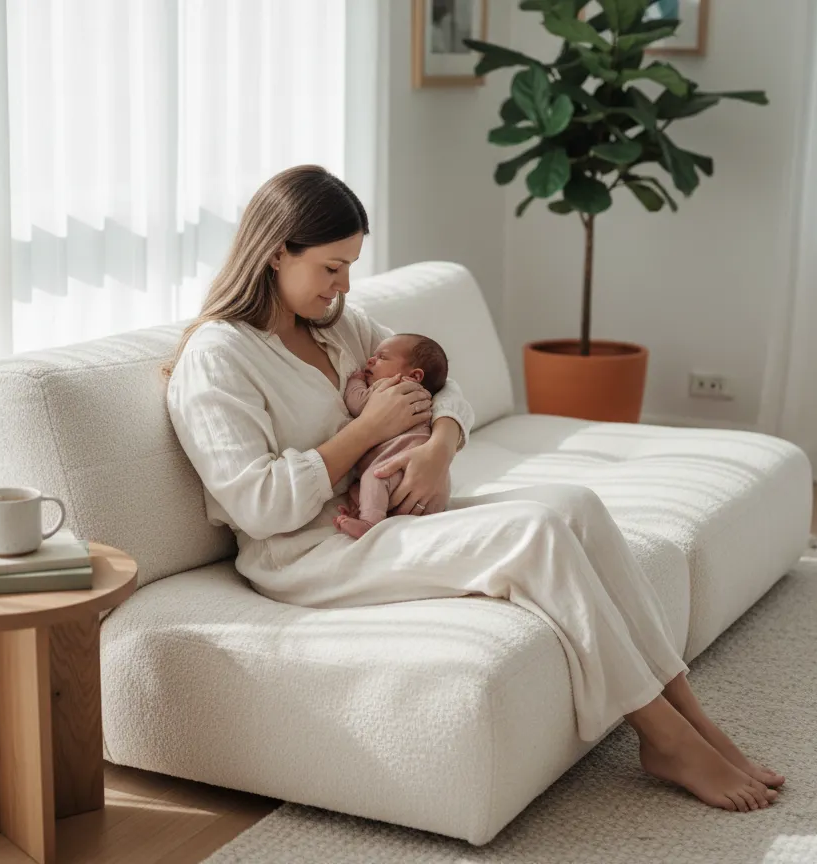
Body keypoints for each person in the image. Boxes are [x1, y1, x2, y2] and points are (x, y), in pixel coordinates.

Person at [167, 165, 784, 812]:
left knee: (575, 505)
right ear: (274, 253)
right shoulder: (218, 357)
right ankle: (663, 738)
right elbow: (257, 504)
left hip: (385, 520)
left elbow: (443, 382)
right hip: (310, 552)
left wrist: (439, 447)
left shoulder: (340, 326)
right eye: (330, 268)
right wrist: (366, 431)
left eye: (351, 265)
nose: (344, 286)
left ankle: (692, 716)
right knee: (538, 534)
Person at [336, 333, 449, 539]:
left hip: (400, 465)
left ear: (415, 376)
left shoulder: (392, 388)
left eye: (382, 357)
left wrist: (355, 379)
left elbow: (357, 403)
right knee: (360, 487)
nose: (370, 360)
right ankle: (361, 512)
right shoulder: (424, 397)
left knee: (375, 476)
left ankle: (370, 523)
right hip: (429, 477)